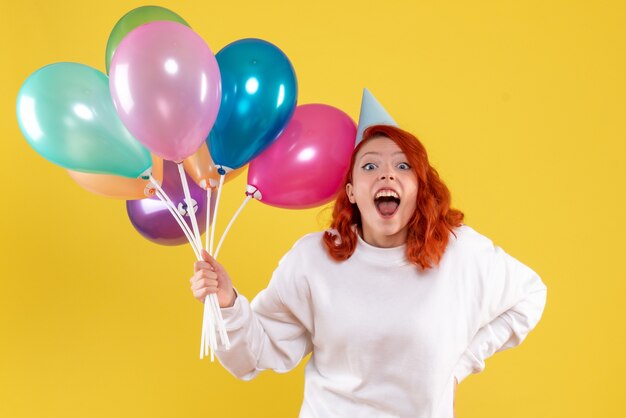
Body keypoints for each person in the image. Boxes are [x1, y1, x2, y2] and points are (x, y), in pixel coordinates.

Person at [189, 90, 548, 418]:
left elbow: (530, 295)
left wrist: (462, 364)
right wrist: (226, 302)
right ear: (352, 193)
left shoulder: (460, 253)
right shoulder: (312, 260)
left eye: (403, 166)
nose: (387, 175)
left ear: (419, 188)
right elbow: (251, 357)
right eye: (370, 166)